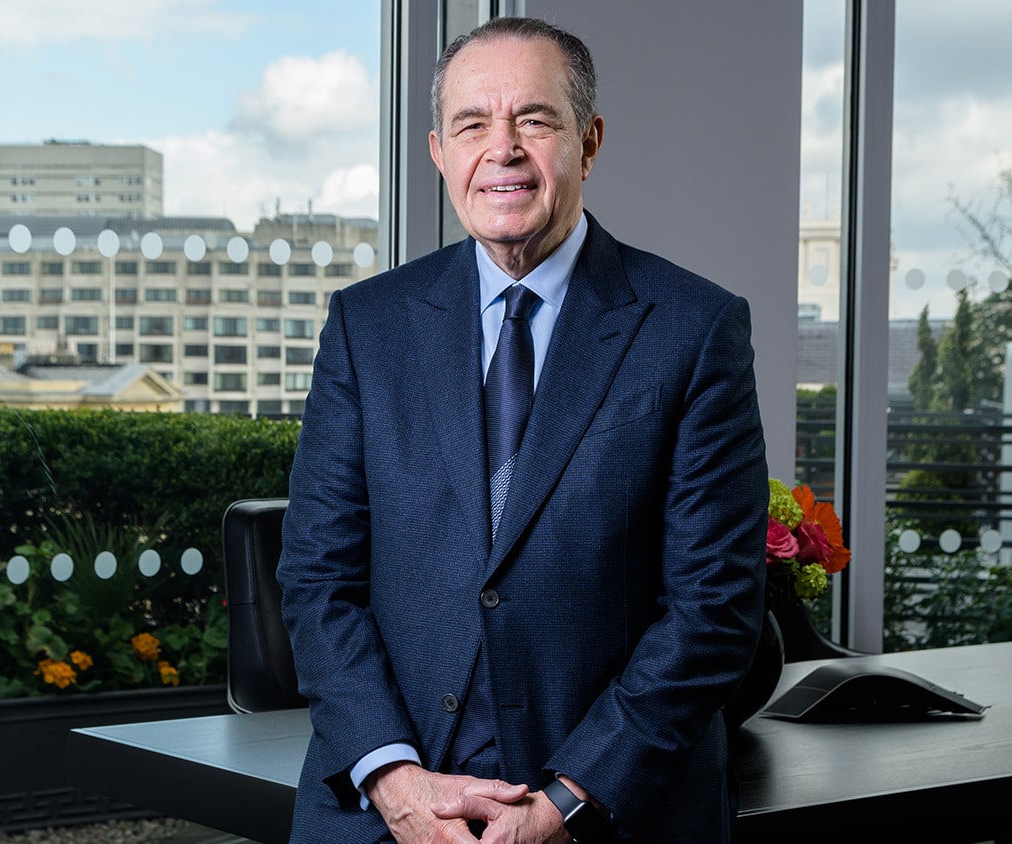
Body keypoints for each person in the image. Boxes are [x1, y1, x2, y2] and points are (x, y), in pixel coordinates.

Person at [277, 15, 767, 843]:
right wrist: (397, 784)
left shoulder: (693, 329)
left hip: (609, 811)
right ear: (438, 152)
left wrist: (567, 803)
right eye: (472, 125)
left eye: (533, 120)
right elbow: (318, 579)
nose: (500, 149)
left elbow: (712, 608)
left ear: (590, 140)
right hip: (391, 808)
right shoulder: (368, 325)